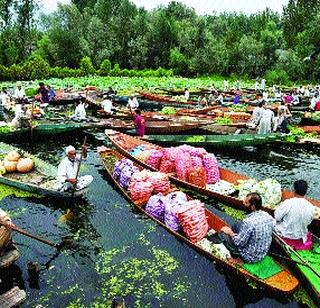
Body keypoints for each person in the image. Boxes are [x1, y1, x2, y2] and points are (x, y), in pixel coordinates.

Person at [216, 192, 275, 263]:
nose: (243, 203)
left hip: (250, 257)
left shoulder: (249, 222)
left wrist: (230, 232)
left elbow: (239, 243)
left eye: (246, 203)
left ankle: (237, 259)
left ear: (252, 207)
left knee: (222, 233)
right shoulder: (267, 215)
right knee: (237, 225)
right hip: (263, 253)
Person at [274, 180, 316, 250]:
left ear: (294, 190)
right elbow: (309, 222)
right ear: (306, 192)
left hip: (286, 235)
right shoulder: (311, 207)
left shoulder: (288, 203)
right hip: (300, 236)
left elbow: (277, 217)